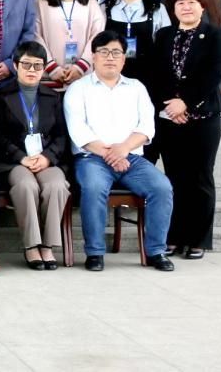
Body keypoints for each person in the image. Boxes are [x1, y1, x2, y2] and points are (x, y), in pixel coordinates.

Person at [64, 31, 176, 272]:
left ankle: (156, 251)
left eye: (116, 52)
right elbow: (78, 131)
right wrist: (111, 155)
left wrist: (123, 149)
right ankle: (95, 253)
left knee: (161, 187)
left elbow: (147, 128)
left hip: (131, 158)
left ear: (124, 59)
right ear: (93, 57)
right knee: (93, 187)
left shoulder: (137, 88)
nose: (110, 57)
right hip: (92, 158)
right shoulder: (78, 88)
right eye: (103, 52)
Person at [151, 0, 221, 260]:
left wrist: (186, 102)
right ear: (173, 9)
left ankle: (198, 240)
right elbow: (156, 74)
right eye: (181, 3)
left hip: (203, 119)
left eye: (192, 2)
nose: (186, 7)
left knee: (201, 178)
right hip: (171, 119)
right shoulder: (164, 35)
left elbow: (214, 74)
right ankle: (174, 236)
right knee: (175, 178)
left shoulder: (214, 35)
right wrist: (170, 105)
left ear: (202, 7)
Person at [0, 41, 71, 270]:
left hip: (45, 159)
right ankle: (31, 246)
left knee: (57, 185)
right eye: (26, 64)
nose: (32, 70)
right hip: (13, 161)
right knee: (26, 185)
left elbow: (61, 135)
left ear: (44, 68)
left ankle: (48, 245)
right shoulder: (0, 96)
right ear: (16, 66)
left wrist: (47, 157)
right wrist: (21, 157)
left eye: (38, 65)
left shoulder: (53, 97)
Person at [101, 0, 171, 113]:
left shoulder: (157, 9)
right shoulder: (104, 9)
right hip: (112, 78)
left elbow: (166, 47)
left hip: (149, 78)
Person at [34, 0, 106, 91]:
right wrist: (52, 67)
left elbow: (98, 36)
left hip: (83, 77)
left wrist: (81, 66)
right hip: (50, 78)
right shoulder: (41, 2)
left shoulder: (91, 3)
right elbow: (35, 36)